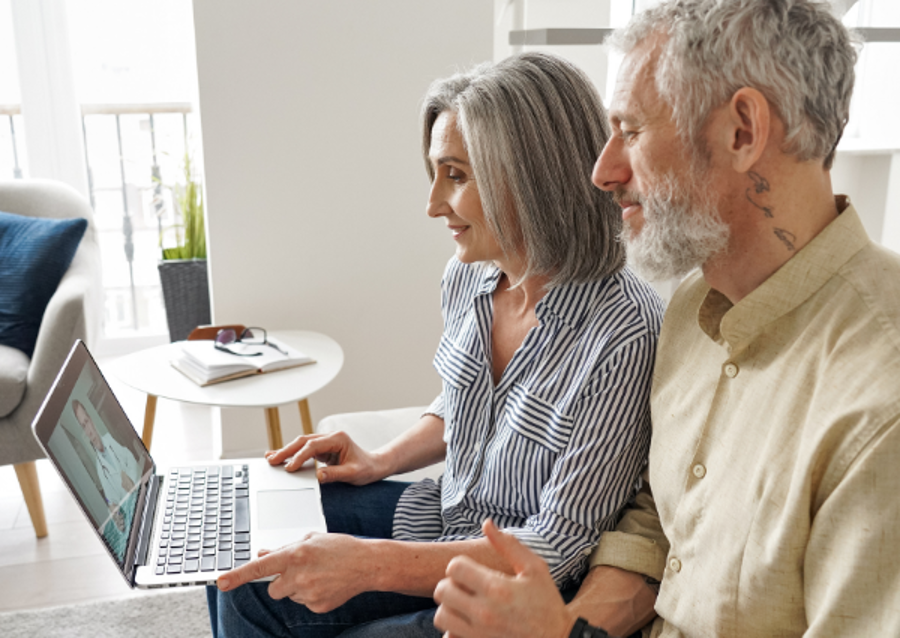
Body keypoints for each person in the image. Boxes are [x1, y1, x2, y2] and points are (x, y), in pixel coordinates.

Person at [432, 1, 900, 636]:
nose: (601, 173)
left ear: (742, 131)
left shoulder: (879, 409)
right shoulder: (688, 308)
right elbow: (660, 517)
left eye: (629, 131)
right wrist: (570, 626)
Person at [208, 52, 664, 637]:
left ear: (530, 177)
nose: (431, 205)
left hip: (517, 585)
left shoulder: (624, 331)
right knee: (240, 549)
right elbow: (464, 399)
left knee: (293, 603)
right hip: (442, 517)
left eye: (455, 175)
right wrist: (383, 459)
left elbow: (557, 545)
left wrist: (367, 566)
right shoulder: (470, 275)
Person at [72, 398, 142, 553]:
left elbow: (131, 458)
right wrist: (112, 508)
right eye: (83, 427)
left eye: (86, 422)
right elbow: (110, 498)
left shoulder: (111, 438)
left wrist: (130, 477)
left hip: (142, 495)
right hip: (134, 513)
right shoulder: (99, 468)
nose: (88, 430)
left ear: (91, 419)